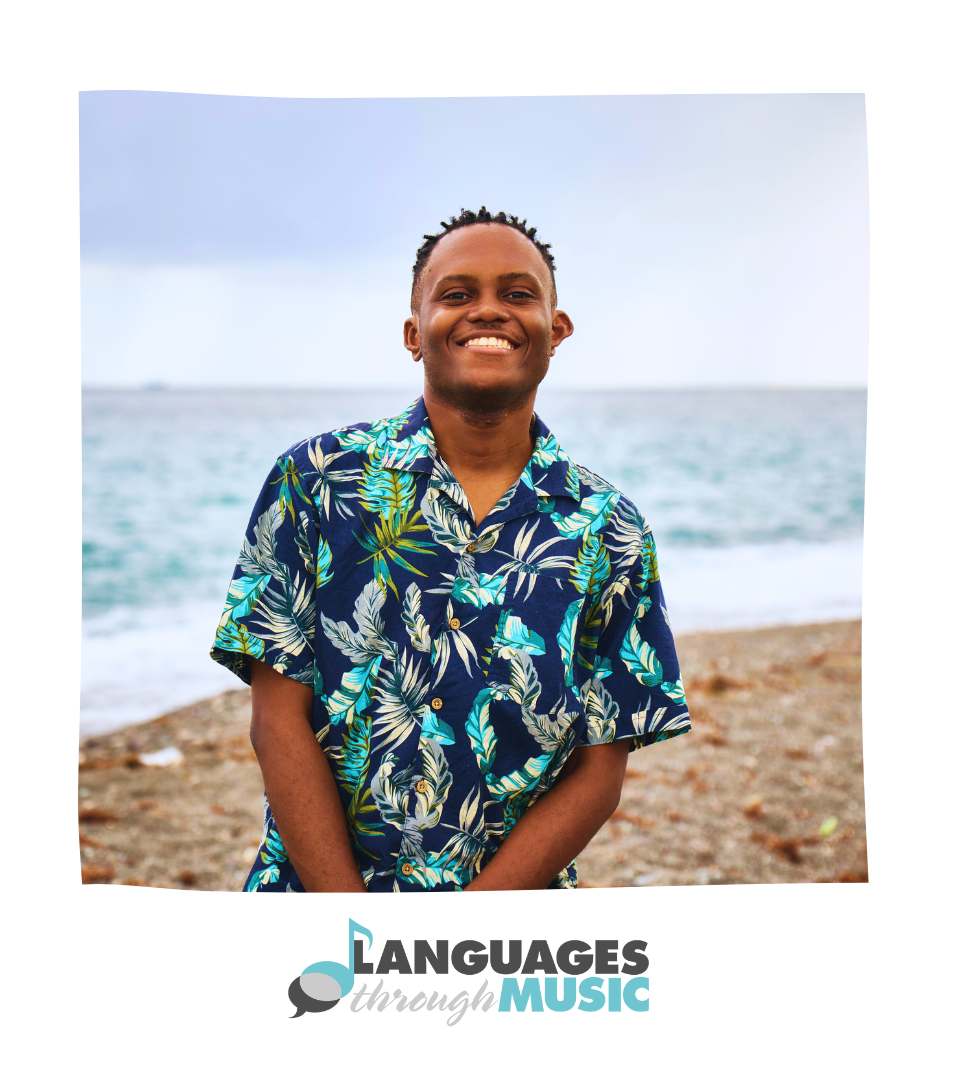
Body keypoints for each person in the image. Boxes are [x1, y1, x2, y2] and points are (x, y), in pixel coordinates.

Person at [210, 207, 691, 892]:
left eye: (518, 294)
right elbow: (277, 719)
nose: (488, 312)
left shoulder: (608, 528)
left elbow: (600, 771)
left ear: (556, 332)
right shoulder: (317, 481)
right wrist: (355, 924)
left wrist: (461, 933)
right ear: (414, 334)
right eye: (457, 294)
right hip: (312, 902)